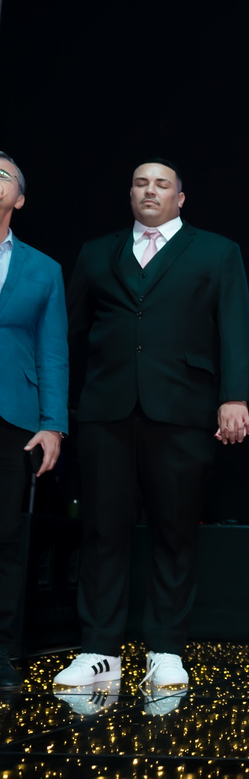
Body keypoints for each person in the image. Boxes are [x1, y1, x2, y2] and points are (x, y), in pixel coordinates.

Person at [56, 160, 249, 688]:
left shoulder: (217, 251)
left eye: (162, 184)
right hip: (106, 410)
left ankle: (165, 649)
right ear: (130, 194)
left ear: (180, 198)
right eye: (141, 183)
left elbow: (235, 328)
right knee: (102, 530)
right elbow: (69, 331)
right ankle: (99, 650)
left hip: (183, 410)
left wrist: (234, 396)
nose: (151, 190)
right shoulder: (97, 252)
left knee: (174, 531)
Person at [0, 151, 68, 691]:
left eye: (2, 175)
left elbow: (52, 351)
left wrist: (52, 423)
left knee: (5, 537)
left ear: (19, 199)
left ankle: (1, 649)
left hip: (13, 417)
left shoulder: (43, 269)